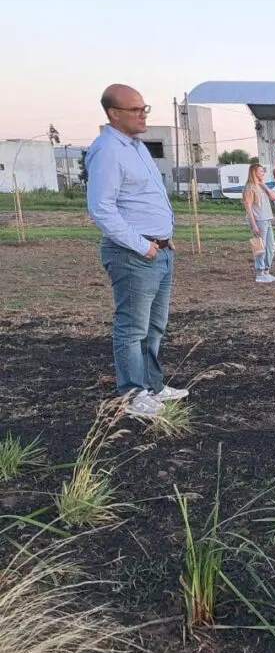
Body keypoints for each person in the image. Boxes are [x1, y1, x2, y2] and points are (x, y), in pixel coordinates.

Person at [86, 83, 189, 417]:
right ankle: (132, 394)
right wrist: (142, 244)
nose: (143, 114)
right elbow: (102, 208)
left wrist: (164, 238)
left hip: (159, 250)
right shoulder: (108, 150)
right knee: (132, 327)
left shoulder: (137, 147)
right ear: (114, 113)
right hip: (133, 254)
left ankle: (152, 385)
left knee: (154, 325)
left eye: (145, 108)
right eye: (135, 109)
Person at [242, 163, 275, 283]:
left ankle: (266, 270)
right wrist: (254, 224)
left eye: (263, 171)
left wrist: (264, 185)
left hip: (267, 218)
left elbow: (274, 197)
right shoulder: (250, 187)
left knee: (270, 246)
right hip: (259, 220)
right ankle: (260, 272)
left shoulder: (261, 186)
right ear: (254, 172)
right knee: (260, 247)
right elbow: (248, 206)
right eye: (261, 172)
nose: (263, 173)